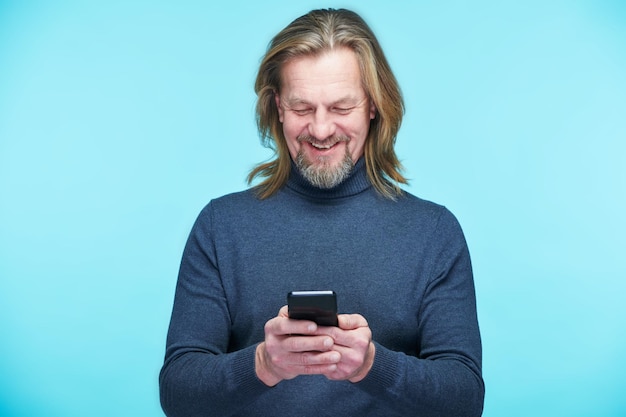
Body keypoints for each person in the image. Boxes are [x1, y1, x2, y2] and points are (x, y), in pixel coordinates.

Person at [159, 8, 484, 417]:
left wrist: (371, 366)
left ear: (373, 106)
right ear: (277, 107)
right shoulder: (220, 227)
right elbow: (177, 394)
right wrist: (261, 365)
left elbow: (465, 400)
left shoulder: (434, 232)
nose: (321, 129)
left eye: (341, 108)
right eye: (302, 108)